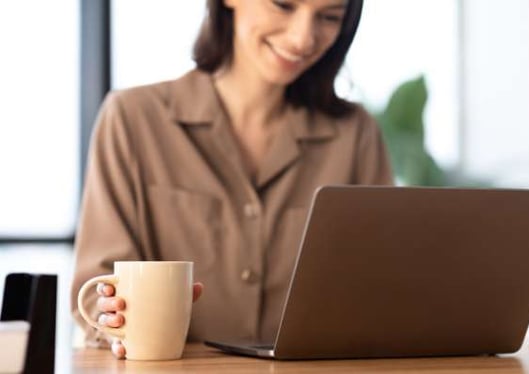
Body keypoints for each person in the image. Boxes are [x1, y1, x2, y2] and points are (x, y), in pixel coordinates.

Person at [71, 0, 393, 359]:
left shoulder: (356, 134)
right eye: (284, 5)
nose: (304, 38)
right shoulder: (132, 120)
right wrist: (114, 321)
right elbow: (96, 286)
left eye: (329, 17)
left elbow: (379, 290)